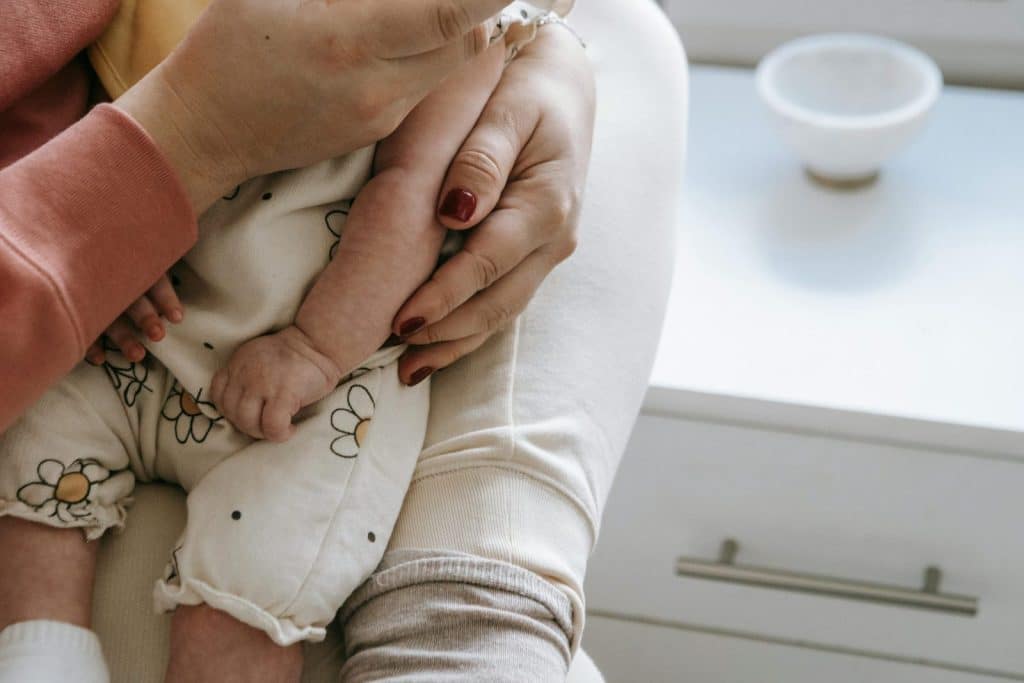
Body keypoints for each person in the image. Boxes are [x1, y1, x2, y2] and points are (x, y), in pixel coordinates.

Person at [1, 0, 688, 680]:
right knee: (43, 450)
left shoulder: (442, 40)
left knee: (256, 577)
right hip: (133, 326)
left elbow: (412, 196)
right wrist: (97, 229)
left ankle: (460, 614)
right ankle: (40, 649)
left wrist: (314, 348)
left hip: (309, 386)